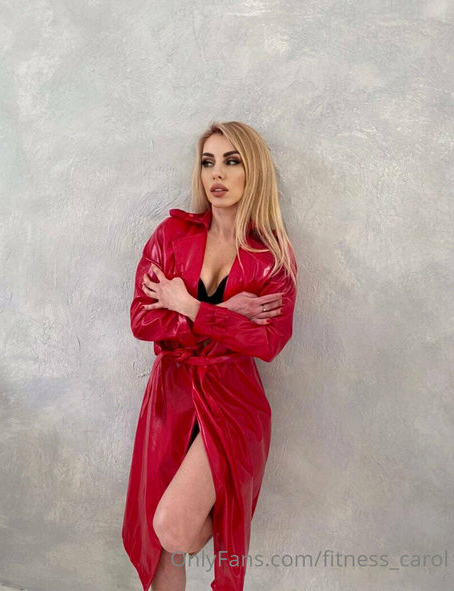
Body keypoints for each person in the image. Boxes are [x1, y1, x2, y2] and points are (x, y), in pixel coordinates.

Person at [122, 121, 298, 591]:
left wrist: (191, 306)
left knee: (173, 528)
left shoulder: (272, 255)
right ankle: (228, 503)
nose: (216, 174)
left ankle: (228, 502)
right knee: (164, 547)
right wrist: (226, 314)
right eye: (208, 162)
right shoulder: (171, 234)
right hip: (171, 396)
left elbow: (268, 342)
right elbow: (142, 320)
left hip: (233, 402)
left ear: (253, 171)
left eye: (231, 161)